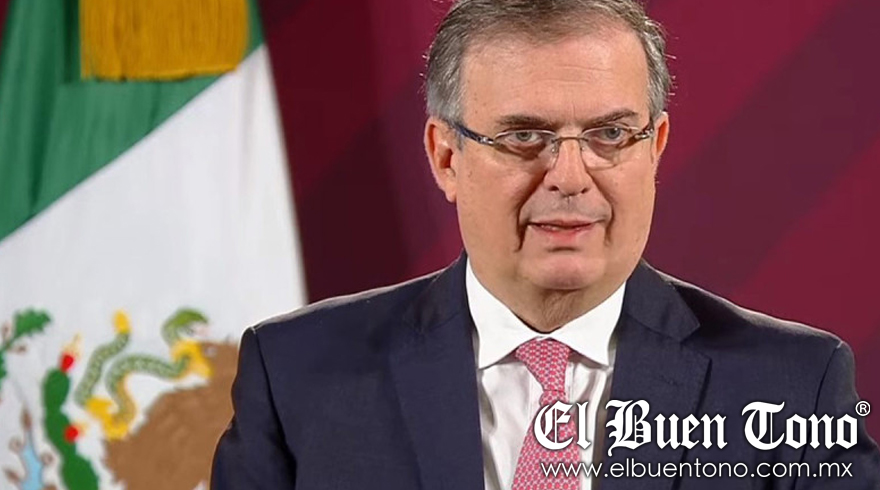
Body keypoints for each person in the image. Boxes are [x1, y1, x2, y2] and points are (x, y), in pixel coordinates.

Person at [211, 0, 880, 488]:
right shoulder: (297, 376)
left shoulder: (793, 387)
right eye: (523, 137)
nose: (569, 176)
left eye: (610, 135)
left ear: (655, 149)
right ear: (446, 157)